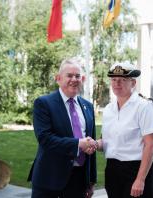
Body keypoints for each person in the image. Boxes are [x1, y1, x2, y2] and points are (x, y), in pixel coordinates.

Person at [28, 58, 97, 198]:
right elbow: (45, 139)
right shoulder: (44, 103)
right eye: (69, 75)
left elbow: (91, 145)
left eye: (77, 76)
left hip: (78, 181)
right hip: (49, 179)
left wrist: (90, 180)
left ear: (82, 79)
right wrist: (79, 144)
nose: (74, 79)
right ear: (58, 78)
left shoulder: (88, 106)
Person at [97, 62, 153, 198]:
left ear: (133, 83)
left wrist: (140, 180)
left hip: (137, 169)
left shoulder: (143, 106)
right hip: (113, 170)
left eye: (122, 80)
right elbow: (106, 141)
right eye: (114, 79)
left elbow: (150, 144)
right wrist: (95, 144)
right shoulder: (109, 109)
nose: (117, 83)